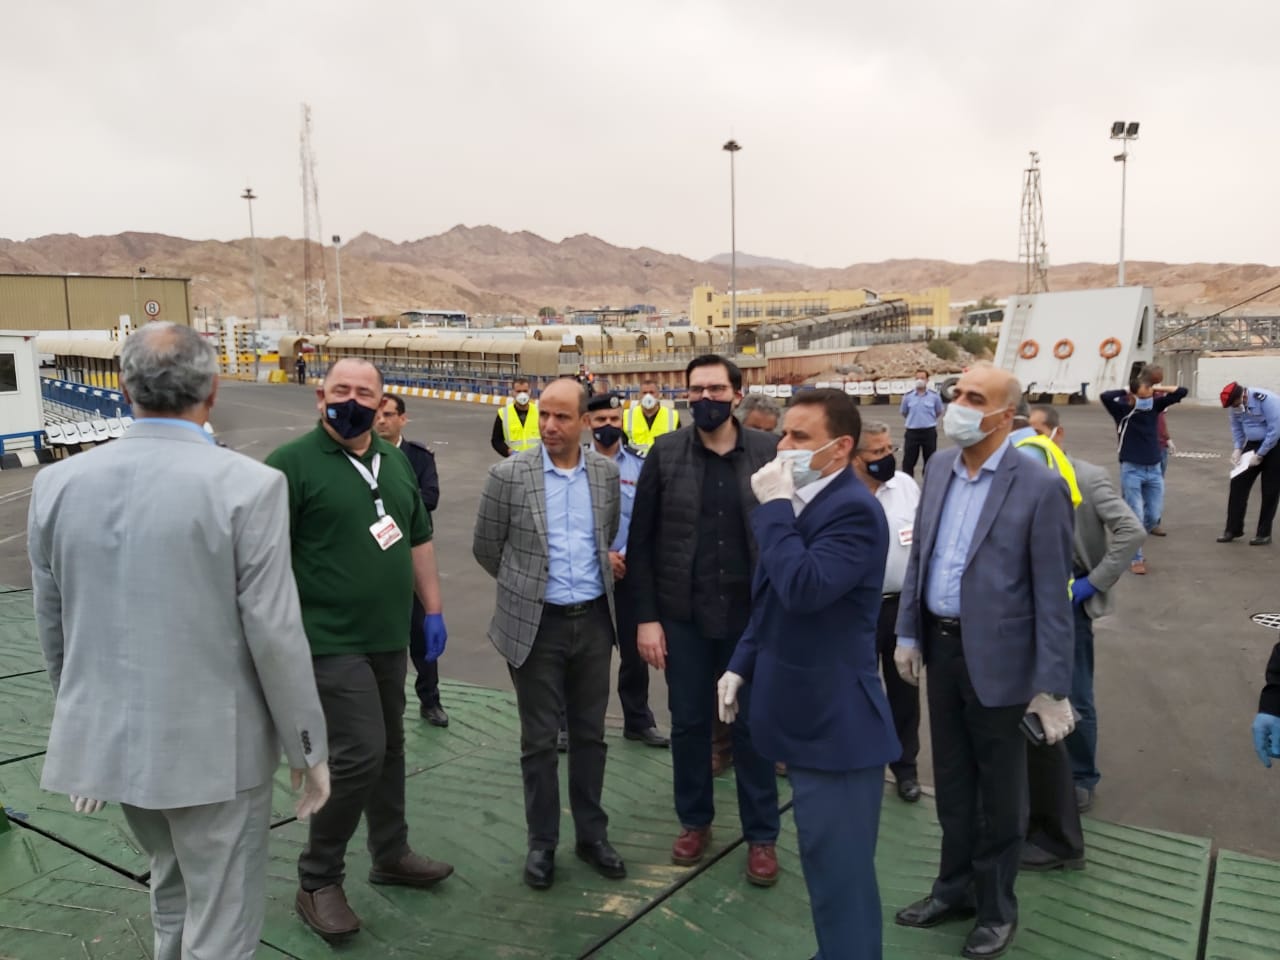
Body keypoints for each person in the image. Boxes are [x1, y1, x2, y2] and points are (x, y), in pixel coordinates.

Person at [27, 322, 331, 960]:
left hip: (114, 740)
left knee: (170, 885)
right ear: (213, 390)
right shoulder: (248, 486)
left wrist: (84, 722)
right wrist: (307, 747)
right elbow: (274, 632)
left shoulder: (57, 484)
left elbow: (55, 623)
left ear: (124, 389)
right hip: (218, 753)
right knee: (223, 921)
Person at [892, 363, 1075, 960]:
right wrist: (908, 632)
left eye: (974, 398)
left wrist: (1051, 687)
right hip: (942, 649)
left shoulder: (1039, 487)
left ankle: (996, 911)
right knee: (952, 782)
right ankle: (953, 891)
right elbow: (922, 558)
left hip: (1002, 663)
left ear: (1004, 416)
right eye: (958, 394)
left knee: (999, 796)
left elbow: (1052, 595)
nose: (958, 405)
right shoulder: (941, 467)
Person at [267, 358, 453, 942]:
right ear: (319, 397)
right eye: (340, 389)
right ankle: (317, 878)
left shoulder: (394, 461)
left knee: (391, 746)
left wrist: (433, 609)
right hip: (327, 639)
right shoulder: (290, 465)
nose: (351, 400)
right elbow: (263, 557)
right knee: (360, 753)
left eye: (364, 392)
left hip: (387, 636)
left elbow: (418, 537)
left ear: (381, 403)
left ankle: (390, 852)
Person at [721, 389, 898, 959]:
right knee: (824, 868)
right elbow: (771, 601)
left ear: (840, 447)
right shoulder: (805, 500)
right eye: (784, 434)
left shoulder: (852, 510)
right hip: (800, 713)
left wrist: (773, 510)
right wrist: (741, 663)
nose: (783, 447)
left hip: (837, 727)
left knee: (840, 876)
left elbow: (803, 588)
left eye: (800, 437)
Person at [629, 354, 782, 886]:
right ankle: (694, 822)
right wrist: (647, 619)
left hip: (750, 620)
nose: (705, 399)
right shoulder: (666, 452)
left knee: (753, 728)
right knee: (690, 723)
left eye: (716, 389)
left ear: (737, 394)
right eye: (696, 390)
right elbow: (642, 542)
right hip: (685, 617)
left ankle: (761, 835)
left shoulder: (767, 452)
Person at [472, 377, 627, 890]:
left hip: (594, 622)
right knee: (539, 741)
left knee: (590, 736)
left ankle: (591, 836)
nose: (549, 425)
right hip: (536, 627)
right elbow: (486, 547)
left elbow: (604, 535)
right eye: (544, 415)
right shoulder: (508, 475)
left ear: (585, 422)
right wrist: (527, 589)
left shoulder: (604, 475)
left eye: (562, 416)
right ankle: (542, 843)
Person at [1028, 405, 1145, 815]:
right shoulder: (1011, 477)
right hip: (1023, 599)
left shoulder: (1087, 477)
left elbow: (1131, 530)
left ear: (1057, 435)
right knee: (1022, 689)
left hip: (1067, 601)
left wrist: (1093, 582)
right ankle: (1034, 770)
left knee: (1073, 689)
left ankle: (1080, 776)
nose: (1028, 442)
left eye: (1037, 432)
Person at [587, 391, 668, 747]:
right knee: (582, 653)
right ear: (588, 422)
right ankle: (570, 723)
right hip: (588, 573)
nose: (608, 426)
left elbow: (649, 517)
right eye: (600, 420)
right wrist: (601, 555)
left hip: (631, 570)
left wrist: (625, 554)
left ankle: (637, 720)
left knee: (634, 654)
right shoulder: (574, 465)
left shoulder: (640, 464)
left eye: (614, 419)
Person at [852, 421, 923, 803]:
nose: (887, 457)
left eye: (889, 449)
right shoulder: (838, 494)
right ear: (854, 457)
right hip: (855, 611)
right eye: (876, 452)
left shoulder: (906, 487)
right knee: (858, 691)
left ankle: (905, 767)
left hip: (900, 608)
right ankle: (861, 764)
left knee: (904, 690)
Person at [374, 393, 448, 727]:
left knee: (421, 633)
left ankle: (430, 700)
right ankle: (383, 706)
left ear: (402, 419)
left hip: (411, 555)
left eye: (389, 414)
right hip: (375, 558)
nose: (381, 420)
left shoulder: (418, 457)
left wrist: (389, 499)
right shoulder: (362, 456)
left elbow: (430, 497)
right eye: (378, 415)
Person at [1099, 369, 1187, 574]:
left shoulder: (1155, 406)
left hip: (1154, 468)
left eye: (1149, 396)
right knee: (1136, 515)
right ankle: (1136, 557)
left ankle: (1130, 538)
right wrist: (1127, 390)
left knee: (1153, 516)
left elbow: (1181, 391)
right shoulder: (1122, 411)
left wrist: (1156, 389)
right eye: (1143, 396)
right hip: (1132, 469)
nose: (1147, 400)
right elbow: (1105, 396)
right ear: (1133, 395)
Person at [1218, 380, 1280, 547]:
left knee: (1270, 489)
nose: (1234, 408)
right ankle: (1233, 529)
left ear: (1241, 397)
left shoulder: (1267, 400)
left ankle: (1263, 534)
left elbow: (1275, 430)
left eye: (1234, 404)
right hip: (1253, 444)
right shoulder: (1235, 406)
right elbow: (1237, 428)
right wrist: (1238, 448)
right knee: (1238, 483)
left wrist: (1260, 454)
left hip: (1275, 445)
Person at [899, 368, 943, 477]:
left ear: (927, 380)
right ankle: (908, 483)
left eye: (922, 378)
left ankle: (929, 482)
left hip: (929, 432)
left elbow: (938, 411)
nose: (920, 380)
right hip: (912, 432)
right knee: (909, 461)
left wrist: (928, 419)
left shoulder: (934, 396)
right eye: (917, 378)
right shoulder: (908, 396)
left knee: (930, 460)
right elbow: (904, 412)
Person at [626, 378, 680, 454]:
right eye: (644, 393)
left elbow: (679, 444)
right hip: (635, 459)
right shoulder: (627, 415)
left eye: (651, 392)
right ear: (639, 395)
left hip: (663, 459)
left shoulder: (673, 416)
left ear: (659, 394)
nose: (648, 396)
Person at [492, 376, 540, 457]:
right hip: (514, 460)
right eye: (518, 391)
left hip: (536, 460)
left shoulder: (540, 412)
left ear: (530, 392)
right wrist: (509, 452)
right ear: (513, 393)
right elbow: (496, 440)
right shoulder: (503, 413)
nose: (522, 394)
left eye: (525, 391)